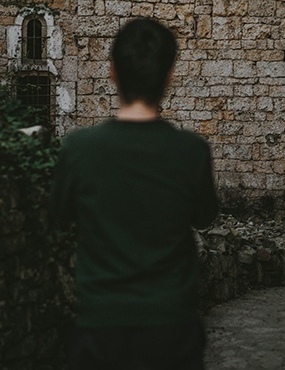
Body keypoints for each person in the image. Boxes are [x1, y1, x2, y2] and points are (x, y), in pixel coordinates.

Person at [50, 18, 219, 370]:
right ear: (169, 76)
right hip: (172, 326)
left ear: (111, 72)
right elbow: (205, 217)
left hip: (101, 326)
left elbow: (58, 218)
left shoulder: (79, 149)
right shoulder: (192, 151)